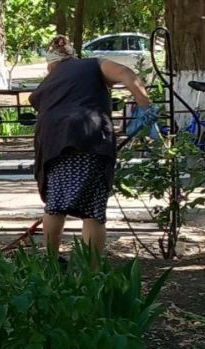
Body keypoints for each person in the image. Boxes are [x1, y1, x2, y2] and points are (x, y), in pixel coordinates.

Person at [28, 35, 154, 260]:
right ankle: (91, 270)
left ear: (52, 64)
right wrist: (146, 107)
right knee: (93, 211)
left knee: (56, 204)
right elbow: (126, 73)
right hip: (90, 137)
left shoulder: (50, 80)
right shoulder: (94, 64)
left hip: (54, 142)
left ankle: (50, 263)